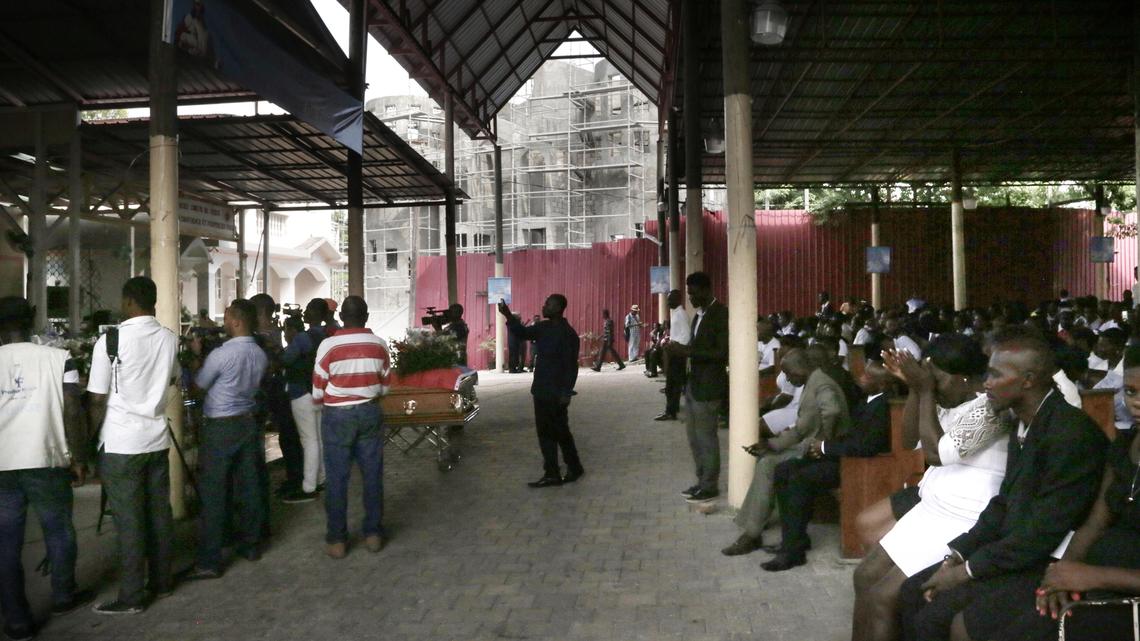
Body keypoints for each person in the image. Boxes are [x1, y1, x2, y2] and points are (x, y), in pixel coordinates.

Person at [897, 332, 1109, 641]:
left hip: (1049, 559)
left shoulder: (1070, 433)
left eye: (996, 374)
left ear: (1027, 380)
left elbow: (1041, 532)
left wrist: (966, 571)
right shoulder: (1024, 420)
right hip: (1017, 547)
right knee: (912, 591)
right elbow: (1003, 502)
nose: (986, 383)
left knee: (936, 616)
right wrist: (957, 555)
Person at [850, 336, 998, 641]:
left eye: (937, 378)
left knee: (883, 596)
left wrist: (926, 389)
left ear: (965, 378)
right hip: (932, 510)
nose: (932, 383)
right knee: (863, 576)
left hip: (964, 519)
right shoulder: (946, 399)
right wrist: (918, 389)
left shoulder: (991, 409)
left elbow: (936, 454)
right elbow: (907, 440)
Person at [997, 346, 1140, 640]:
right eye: (1130, 392)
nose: (1137, 403)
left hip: (1127, 594)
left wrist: (1092, 576)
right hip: (1095, 575)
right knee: (988, 622)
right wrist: (1062, 575)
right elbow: (1096, 522)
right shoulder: (1125, 445)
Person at [86, 277, 179, 614]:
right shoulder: (170, 339)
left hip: (121, 443)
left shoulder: (110, 340)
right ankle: (162, 582)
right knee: (158, 514)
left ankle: (132, 596)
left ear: (128, 302)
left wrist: (86, 444)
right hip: (155, 440)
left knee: (129, 521)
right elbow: (172, 378)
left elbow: (97, 399)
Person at [0, 297, 92, 640]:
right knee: (59, 530)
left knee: (6, 544)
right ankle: (64, 596)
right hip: (46, 458)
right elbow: (72, 410)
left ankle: (17, 620)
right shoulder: (60, 358)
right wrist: (79, 457)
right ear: (33, 318)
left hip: (2, 466)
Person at [767, 350, 895, 573]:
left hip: (858, 468)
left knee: (800, 478)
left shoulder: (882, 408)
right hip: (845, 459)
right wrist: (823, 448)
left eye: (867, 377)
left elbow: (866, 447)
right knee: (783, 470)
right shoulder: (868, 401)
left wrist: (825, 448)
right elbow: (851, 437)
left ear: (881, 385)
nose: (860, 378)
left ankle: (792, 552)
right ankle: (795, 538)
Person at [722, 347, 851, 557]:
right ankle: (754, 526)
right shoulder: (813, 382)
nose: (789, 381)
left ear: (802, 368)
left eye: (790, 374)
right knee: (766, 457)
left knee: (767, 464)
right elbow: (801, 429)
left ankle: (752, 533)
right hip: (812, 445)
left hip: (828, 453)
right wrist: (772, 444)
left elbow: (833, 411)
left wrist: (825, 443)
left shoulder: (821, 384)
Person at [185, 299, 269, 580]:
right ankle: (251, 545)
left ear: (236, 321)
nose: (223, 323)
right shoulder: (259, 354)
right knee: (249, 486)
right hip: (247, 422)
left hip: (220, 426)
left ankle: (210, 560)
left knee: (214, 491)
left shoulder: (221, 355)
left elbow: (198, 387)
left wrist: (196, 356)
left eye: (227, 318)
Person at [311, 296, 392, 559]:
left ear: (342, 317)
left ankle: (337, 540)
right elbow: (386, 386)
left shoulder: (328, 345)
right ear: (366, 316)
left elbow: (317, 390)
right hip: (369, 413)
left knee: (337, 478)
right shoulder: (379, 345)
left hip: (337, 417)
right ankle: (373, 534)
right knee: (372, 475)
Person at [498, 294, 582, 488]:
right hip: (542, 389)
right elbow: (522, 333)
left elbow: (571, 366)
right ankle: (563, 470)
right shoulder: (543, 328)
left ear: (558, 307)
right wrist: (508, 315)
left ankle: (563, 470)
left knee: (557, 432)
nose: (544, 306)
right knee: (551, 432)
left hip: (556, 392)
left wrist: (566, 392)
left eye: (548, 304)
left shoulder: (568, 334)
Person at [675, 272, 728, 503]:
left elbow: (721, 353)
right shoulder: (698, 316)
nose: (690, 298)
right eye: (689, 293)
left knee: (707, 438)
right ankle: (701, 480)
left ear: (706, 290)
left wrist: (687, 351)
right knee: (694, 438)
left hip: (709, 386)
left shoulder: (720, 314)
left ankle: (710, 485)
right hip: (694, 384)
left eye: (693, 293)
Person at [280, 302, 326, 504]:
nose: (305, 312)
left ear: (315, 314)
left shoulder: (302, 338)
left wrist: (289, 340)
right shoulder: (324, 336)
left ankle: (308, 487)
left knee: (309, 441)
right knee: (319, 438)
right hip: (320, 391)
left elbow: (286, 359)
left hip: (301, 392)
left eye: (309, 310)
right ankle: (322, 478)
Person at [656, 289, 690, 422]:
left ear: (677, 299)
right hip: (674, 350)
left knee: (673, 384)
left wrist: (675, 345)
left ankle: (670, 412)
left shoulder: (681, 314)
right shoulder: (676, 313)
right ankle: (672, 409)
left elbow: (686, 335)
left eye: (670, 299)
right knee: (672, 384)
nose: (668, 302)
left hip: (678, 353)